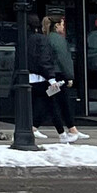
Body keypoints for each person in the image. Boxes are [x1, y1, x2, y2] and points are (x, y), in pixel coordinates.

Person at [30, 14, 84, 142]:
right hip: (58, 75)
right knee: (57, 102)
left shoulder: (48, 38)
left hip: (52, 75)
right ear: (57, 26)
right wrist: (69, 76)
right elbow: (63, 59)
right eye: (62, 24)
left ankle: (71, 128)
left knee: (52, 101)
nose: (64, 27)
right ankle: (67, 130)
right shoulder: (58, 40)